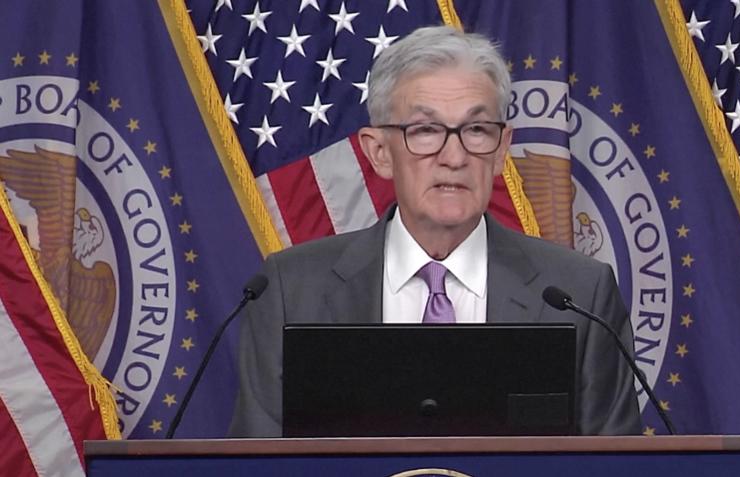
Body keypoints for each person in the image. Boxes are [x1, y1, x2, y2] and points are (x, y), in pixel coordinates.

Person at [228, 25, 641, 437]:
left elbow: (613, 462)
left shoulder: (580, 294)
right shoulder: (291, 291)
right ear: (379, 152)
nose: (454, 157)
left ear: (501, 150)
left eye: (476, 130)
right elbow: (258, 460)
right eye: (426, 131)